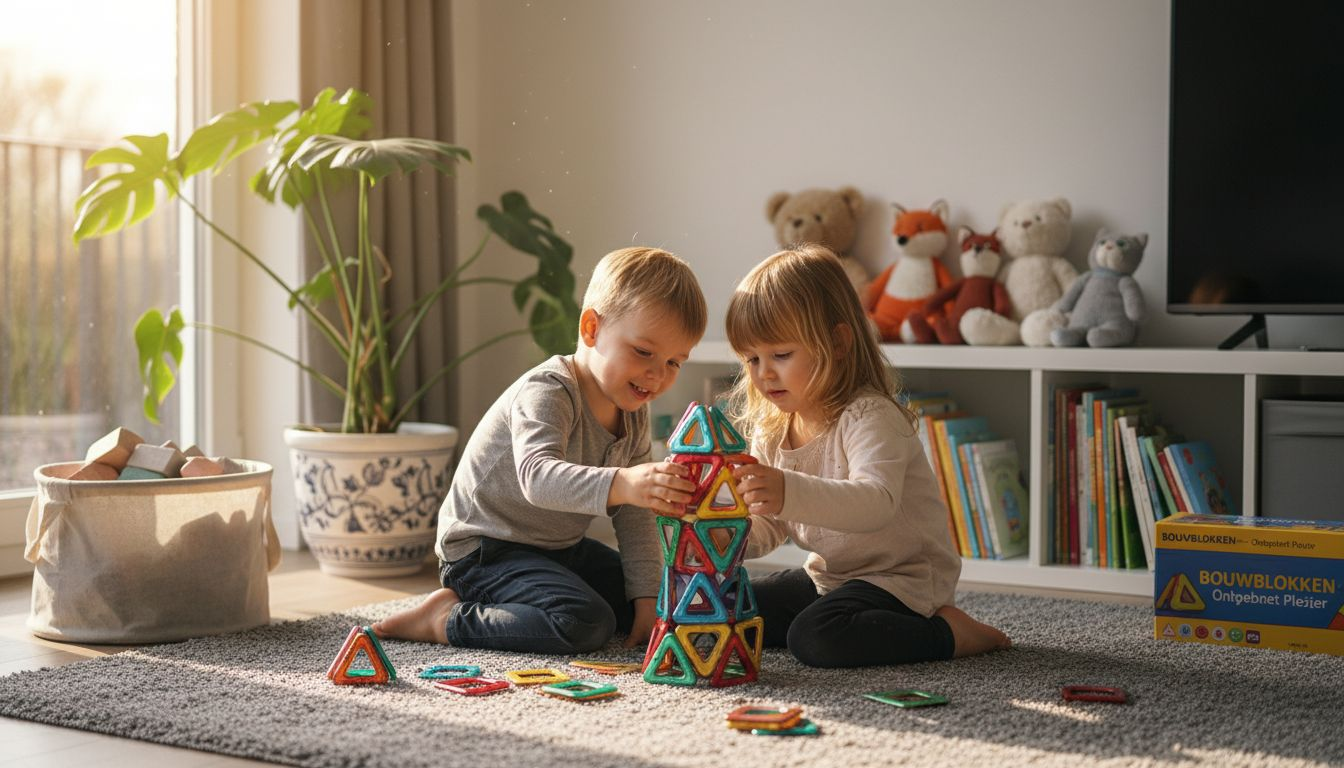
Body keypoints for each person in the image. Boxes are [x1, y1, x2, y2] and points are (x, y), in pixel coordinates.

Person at [373, 247, 706, 654]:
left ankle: (540, 599)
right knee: (583, 622)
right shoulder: (549, 390)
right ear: (591, 329)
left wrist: (646, 600)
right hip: (485, 549)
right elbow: (538, 478)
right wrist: (625, 483)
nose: (657, 374)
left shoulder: (633, 411)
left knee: (666, 597)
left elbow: (634, 516)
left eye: (675, 362)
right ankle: (446, 619)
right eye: (643, 352)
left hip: (557, 549)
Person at [725, 244, 1011, 667]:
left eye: (781, 355)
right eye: (751, 359)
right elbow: (770, 524)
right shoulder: (772, 429)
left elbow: (873, 503)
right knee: (729, 603)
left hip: (903, 577)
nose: (764, 373)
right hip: (831, 577)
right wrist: (724, 539)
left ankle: (949, 632)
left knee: (815, 638)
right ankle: (845, 616)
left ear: (838, 343)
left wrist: (785, 490)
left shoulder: (870, 415)